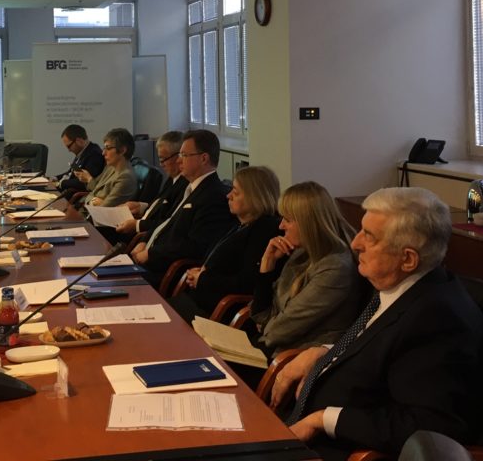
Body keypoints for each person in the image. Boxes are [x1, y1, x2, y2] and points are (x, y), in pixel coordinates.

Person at [271, 187, 483, 461]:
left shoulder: (438, 319)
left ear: (408, 259)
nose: (355, 243)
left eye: (369, 236)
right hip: (297, 427)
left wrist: (324, 419)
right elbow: (376, 348)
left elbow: (426, 426)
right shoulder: (399, 287)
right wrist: (323, 351)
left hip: (331, 451)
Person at [249, 181, 364, 356]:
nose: (280, 226)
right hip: (275, 347)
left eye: (287, 220)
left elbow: (279, 330)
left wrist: (267, 326)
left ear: (308, 223)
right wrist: (267, 264)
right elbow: (262, 315)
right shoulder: (303, 252)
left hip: (293, 358)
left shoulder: (335, 268)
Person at [170, 165, 282, 323]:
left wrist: (203, 278)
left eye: (235, 192)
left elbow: (246, 283)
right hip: (198, 301)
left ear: (254, 196)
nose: (228, 196)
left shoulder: (263, 230)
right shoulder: (239, 224)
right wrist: (201, 271)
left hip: (218, 311)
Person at [130, 129, 235, 288]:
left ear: (204, 158)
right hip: (151, 260)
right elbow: (167, 222)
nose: (179, 161)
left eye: (184, 155)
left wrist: (151, 253)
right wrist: (145, 241)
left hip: (166, 272)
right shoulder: (190, 188)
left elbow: (194, 246)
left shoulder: (213, 196)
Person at [114, 131, 186, 238]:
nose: (161, 164)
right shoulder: (172, 178)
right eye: (160, 159)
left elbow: (169, 221)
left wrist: (137, 225)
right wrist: (141, 206)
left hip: (147, 233)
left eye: (163, 159)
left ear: (178, 157)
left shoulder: (185, 184)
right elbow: (161, 205)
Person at [72, 127, 137, 208]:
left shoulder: (125, 177)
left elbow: (103, 209)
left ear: (122, 150)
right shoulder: (110, 167)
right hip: (89, 209)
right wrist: (93, 200)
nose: (103, 153)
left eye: (108, 148)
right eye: (104, 148)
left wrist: (92, 200)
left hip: (95, 214)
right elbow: (95, 190)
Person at [55, 124, 104, 200]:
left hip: (77, 197)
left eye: (69, 146)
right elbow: (70, 173)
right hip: (68, 192)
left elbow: (83, 182)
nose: (69, 150)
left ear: (78, 141)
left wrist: (61, 183)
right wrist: (55, 178)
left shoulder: (95, 154)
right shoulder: (83, 151)